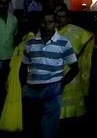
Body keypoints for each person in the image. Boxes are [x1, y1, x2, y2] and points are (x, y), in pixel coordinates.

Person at [19, 9, 77, 138]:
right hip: (31, 88)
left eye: (50, 22)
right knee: (30, 126)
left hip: (52, 87)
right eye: (44, 22)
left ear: (55, 23)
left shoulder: (64, 43)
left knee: (49, 129)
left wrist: (60, 84)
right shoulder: (30, 42)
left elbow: (75, 67)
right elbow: (23, 66)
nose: (46, 25)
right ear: (40, 23)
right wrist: (24, 86)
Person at [54, 5, 94, 120]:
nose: (59, 19)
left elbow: (87, 39)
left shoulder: (76, 31)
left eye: (63, 17)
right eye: (57, 17)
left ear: (68, 18)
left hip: (71, 70)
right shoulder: (51, 31)